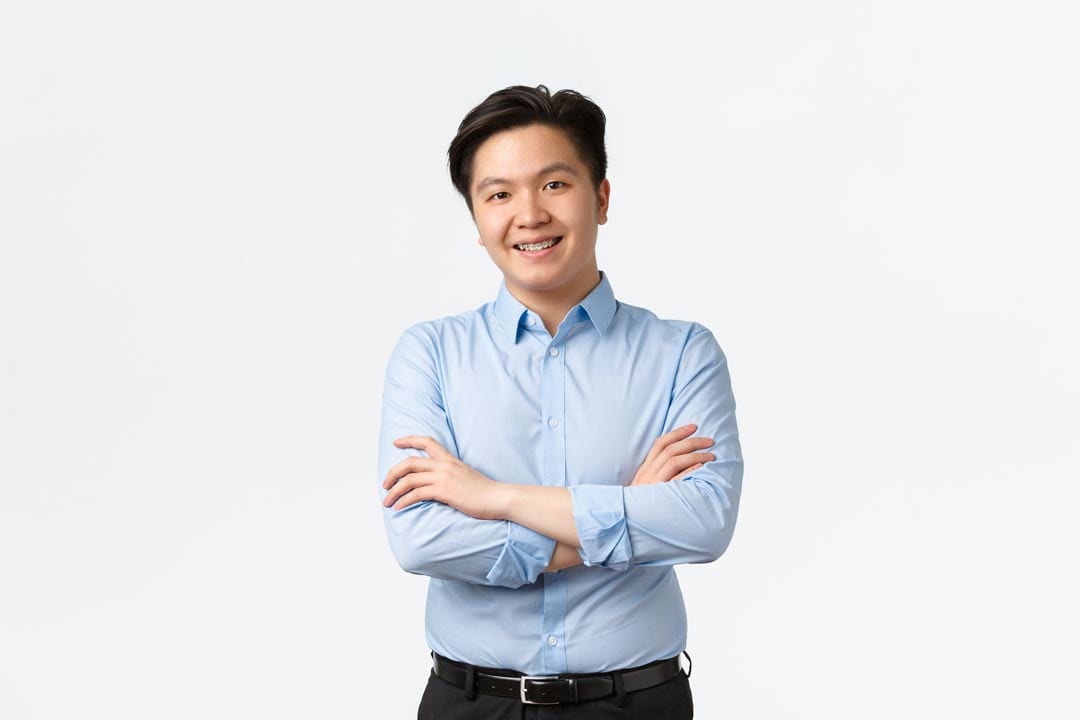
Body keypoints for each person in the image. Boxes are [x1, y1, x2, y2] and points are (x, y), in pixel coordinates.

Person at [377, 84, 743, 719]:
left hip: (635, 703)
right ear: (476, 219)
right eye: (499, 194)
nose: (529, 214)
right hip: (471, 703)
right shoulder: (429, 354)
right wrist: (624, 516)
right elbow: (421, 539)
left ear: (600, 198)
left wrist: (494, 497)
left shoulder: (682, 353)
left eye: (554, 185)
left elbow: (703, 522)